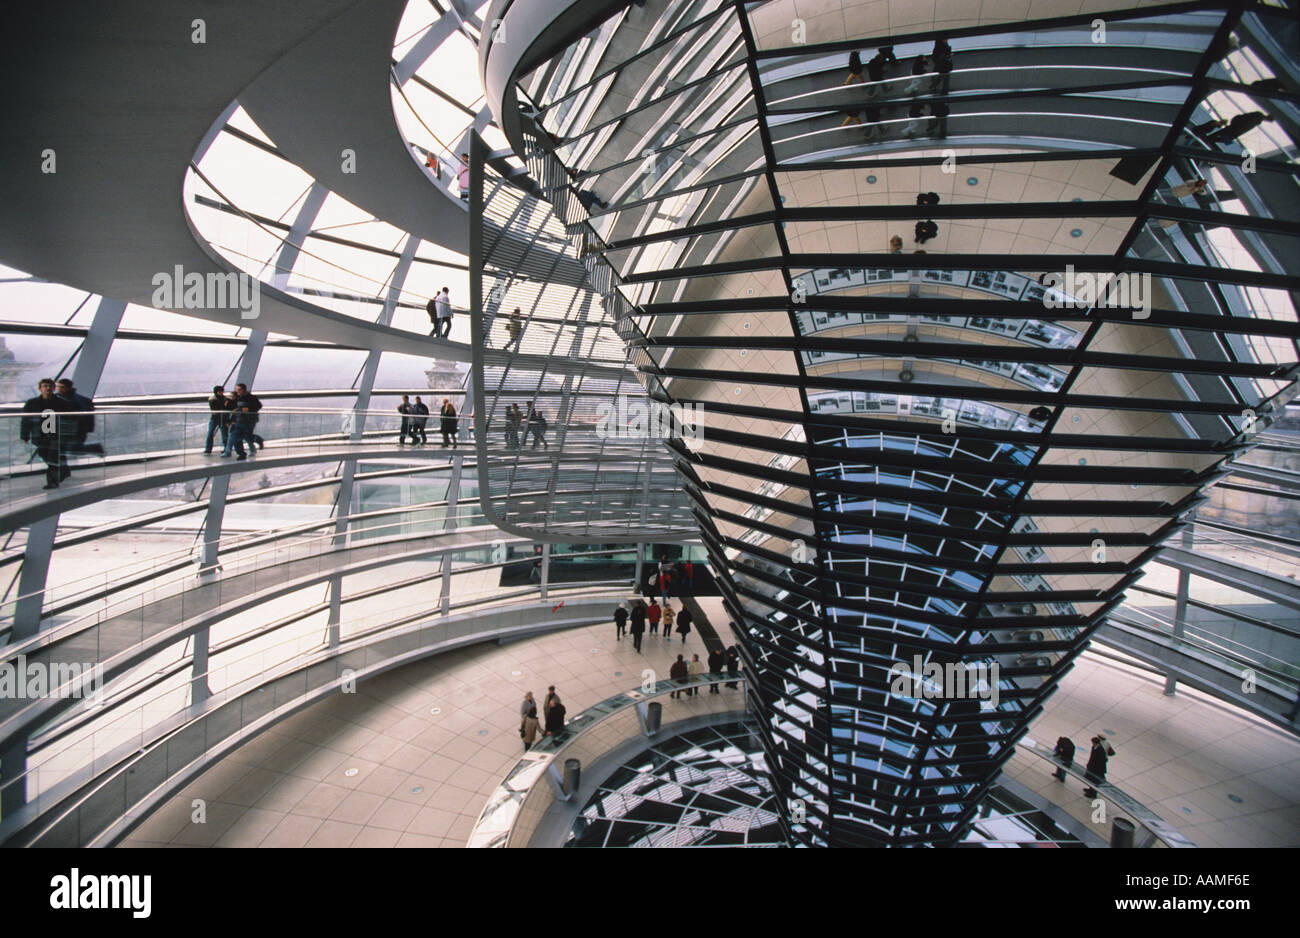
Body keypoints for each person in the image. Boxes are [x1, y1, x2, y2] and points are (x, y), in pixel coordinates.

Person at [21, 378, 76, 489]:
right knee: (45, 455)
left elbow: (70, 419)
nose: (48, 388)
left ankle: (52, 482)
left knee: (52, 457)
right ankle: (64, 470)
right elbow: (26, 420)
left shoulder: (62, 403)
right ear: (40, 388)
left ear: (53, 388)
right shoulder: (32, 403)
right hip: (40, 436)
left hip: (56, 435)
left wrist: (68, 434)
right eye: (45, 386)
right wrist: (25, 434)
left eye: (50, 386)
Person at [55, 378, 100, 455]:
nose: (59, 389)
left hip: (76, 430)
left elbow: (86, 416)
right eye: (58, 387)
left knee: (69, 449)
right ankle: (96, 449)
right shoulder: (80, 399)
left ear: (68, 388)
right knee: (62, 449)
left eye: (62, 387)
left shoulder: (79, 400)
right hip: (65, 430)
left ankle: (96, 449)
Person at [227, 383, 262, 461]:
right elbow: (234, 406)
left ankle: (257, 439)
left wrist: (249, 409)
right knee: (236, 437)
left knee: (247, 437)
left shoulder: (251, 398)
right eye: (236, 390)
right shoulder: (238, 398)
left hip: (249, 421)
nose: (237, 392)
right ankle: (241, 454)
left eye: (239, 390)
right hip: (239, 421)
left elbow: (258, 406)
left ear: (244, 390)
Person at [205, 384, 233, 455]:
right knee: (211, 433)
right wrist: (224, 405)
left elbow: (227, 407)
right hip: (216, 418)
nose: (221, 393)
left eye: (222, 391)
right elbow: (217, 408)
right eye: (220, 391)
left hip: (221, 419)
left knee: (224, 434)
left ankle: (226, 449)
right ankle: (208, 449)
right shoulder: (214, 399)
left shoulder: (221, 399)